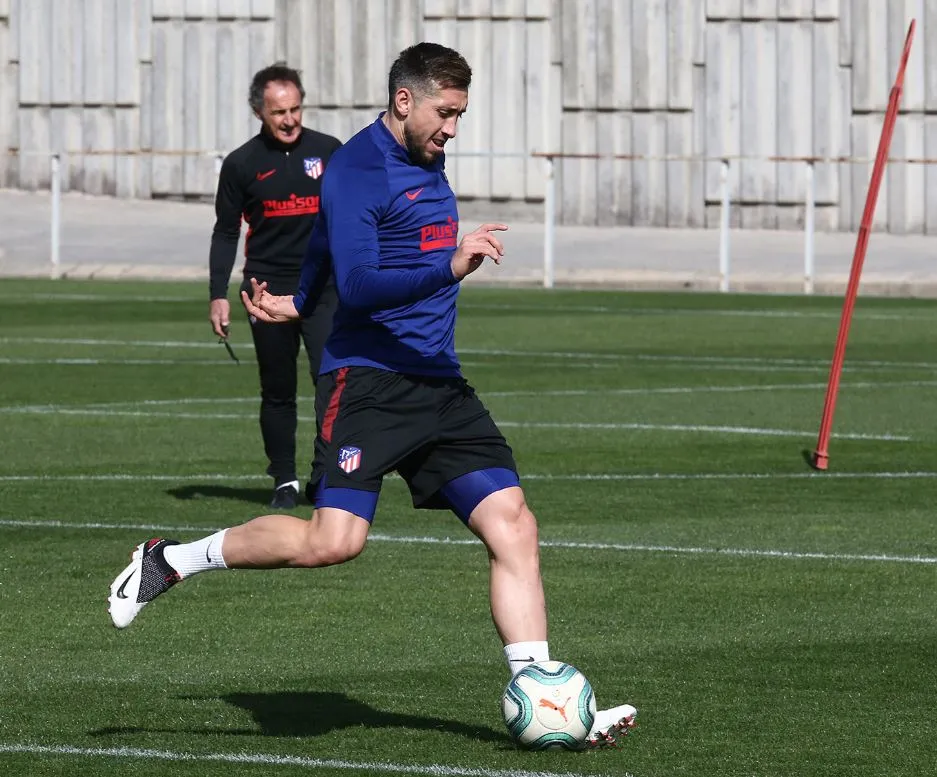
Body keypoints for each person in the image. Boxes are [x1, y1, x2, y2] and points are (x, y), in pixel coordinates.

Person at [109, 42, 637, 748]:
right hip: (369, 382)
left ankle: (544, 700)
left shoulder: (420, 157)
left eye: (459, 115)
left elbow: (327, 244)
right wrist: (448, 264)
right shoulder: (358, 169)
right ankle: (171, 559)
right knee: (333, 542)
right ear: (404, 101)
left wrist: (299, 295)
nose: (452, 129)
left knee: (513, 522)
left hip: (437, 379)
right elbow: (357, 283)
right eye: (445, 114)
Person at [209, 63, 342, 509]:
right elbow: (226, 232)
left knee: (331, 382)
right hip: (265, 291)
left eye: (296, 109)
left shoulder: (329, 152)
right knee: (278, 389)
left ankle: (324, 477)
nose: (289, 119)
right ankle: (283, 478)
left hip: (322, 290)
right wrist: (217, 295)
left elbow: (354, 217)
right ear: (258, 112)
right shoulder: (242, 164)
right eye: (278, 112)